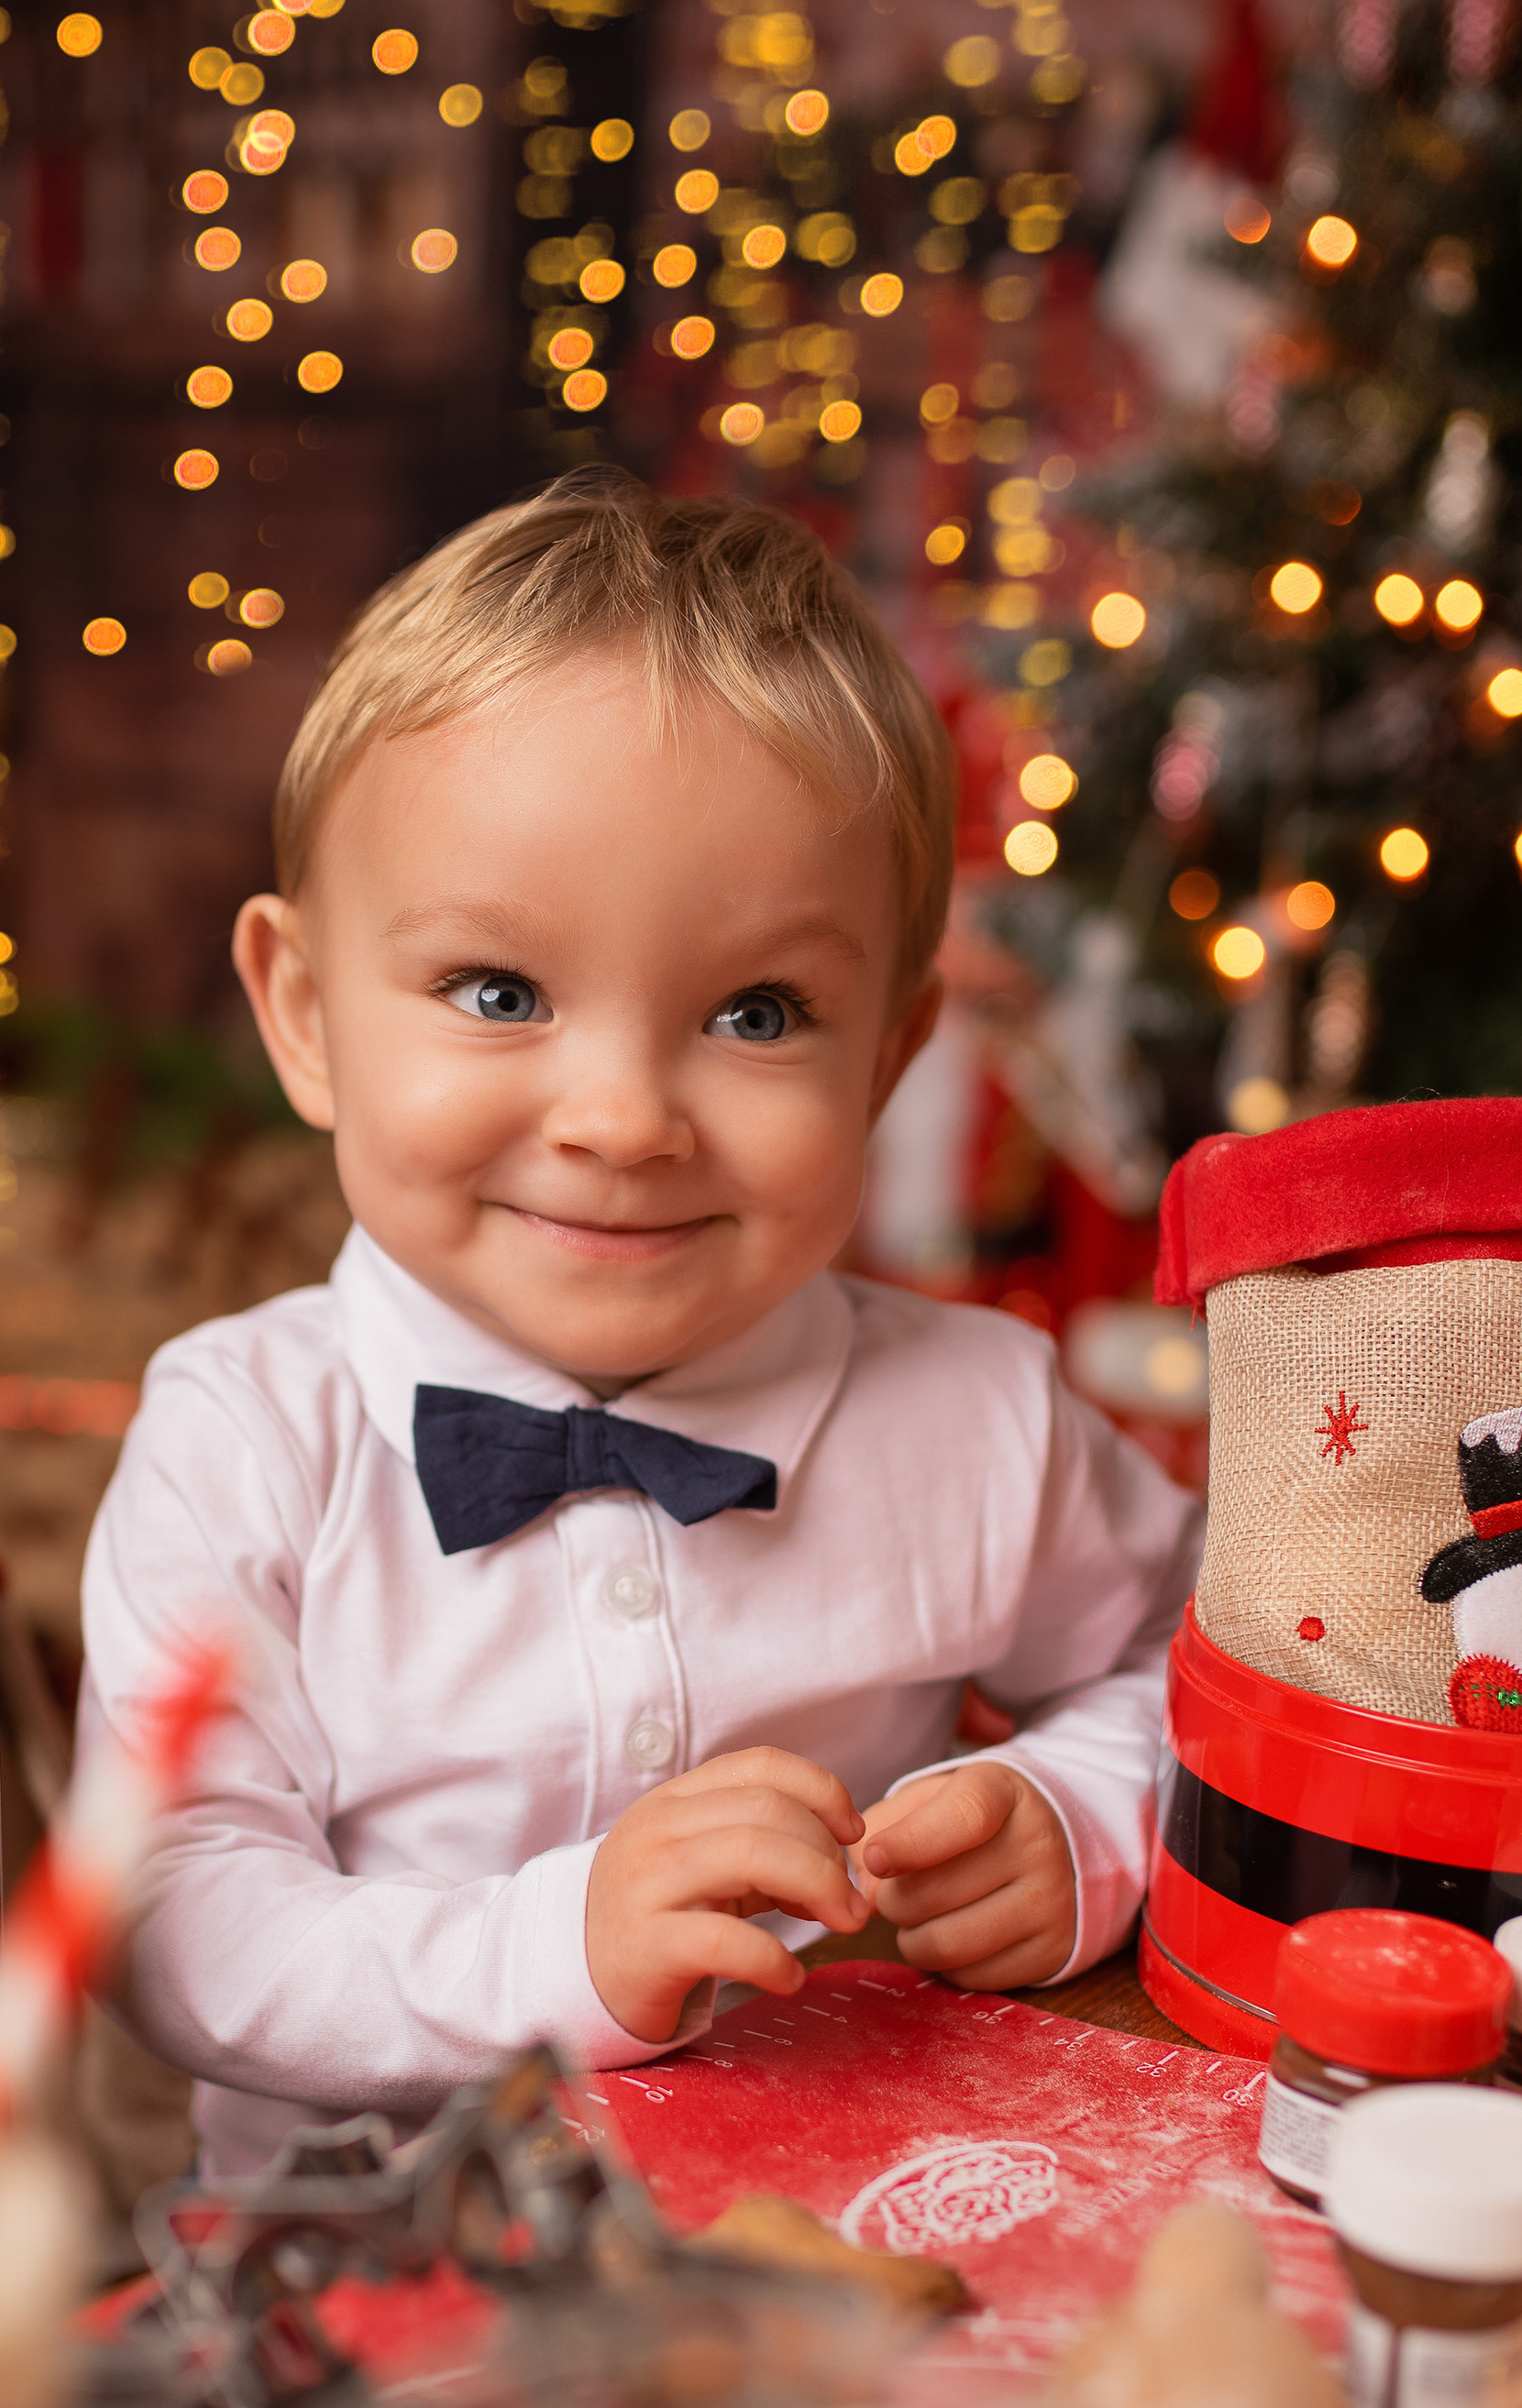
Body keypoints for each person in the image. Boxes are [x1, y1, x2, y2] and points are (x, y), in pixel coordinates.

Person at [82, 481, 1204, 2171]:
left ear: (886, 1063)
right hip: (375, 2292)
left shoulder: (984, 1417)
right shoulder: (246, 1440)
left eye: (758, 1013)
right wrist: (562, 1951)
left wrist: (1079, 1816)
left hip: (862, 2233)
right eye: (499, 991)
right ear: (306, 1015)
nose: (620, 1118)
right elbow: (177, 1926)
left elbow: (1210, 1664)